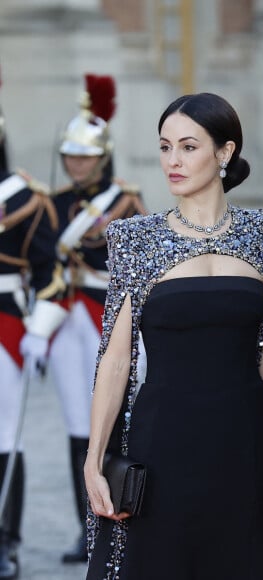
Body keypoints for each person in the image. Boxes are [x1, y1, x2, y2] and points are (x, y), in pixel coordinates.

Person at [84, 92, 263, 579]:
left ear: (224, 153)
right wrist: (93, 461)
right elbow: (115, 361)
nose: (173, 161)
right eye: (165, 148)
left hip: (244, 445)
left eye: (187, 147)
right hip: (161, 445)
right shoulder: (135, 239)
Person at [48, 74, 148, 564]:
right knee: (74, 424)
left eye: (85, 156)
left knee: (110, 421)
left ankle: (118, 514)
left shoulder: (127, 202)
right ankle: (80, 525)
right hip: (68, 318)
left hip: (110, 317)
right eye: (71, 156)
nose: (76, 164)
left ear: (103, 156)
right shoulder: (56, 202)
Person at [0, 97, 67, 578]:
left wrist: (39, 330)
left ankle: (5, 539)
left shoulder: (26, 199)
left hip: (4, 320)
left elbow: (51, 275)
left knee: (4, 435)